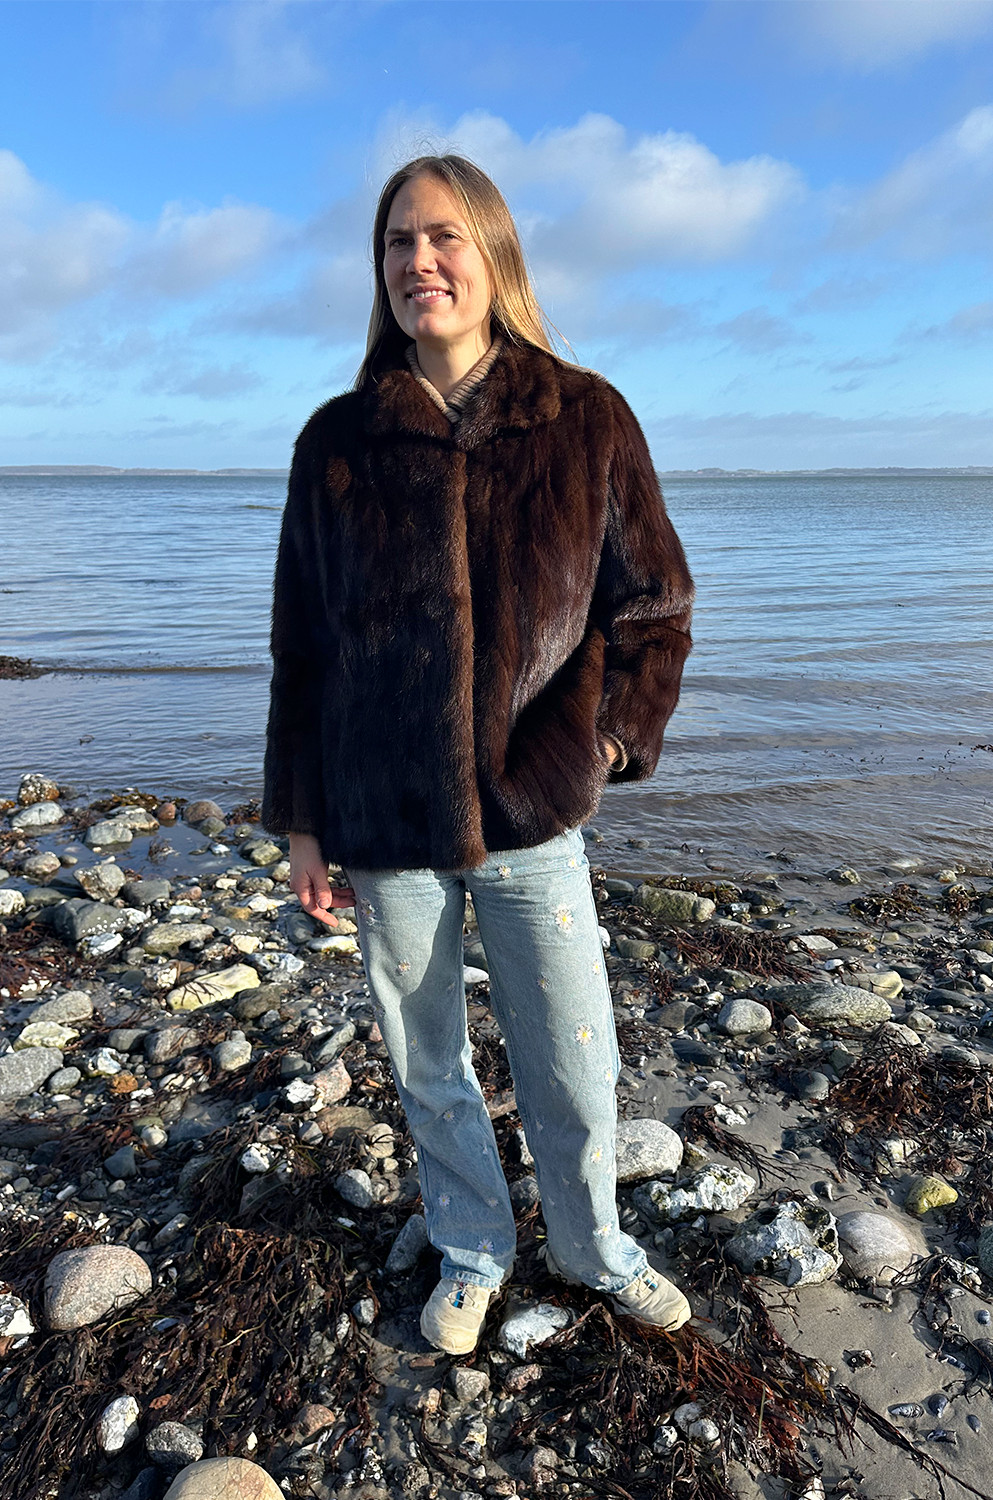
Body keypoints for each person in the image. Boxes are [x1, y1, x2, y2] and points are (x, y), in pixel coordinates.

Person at [262, 153, 695, 1356]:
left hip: (531, 809)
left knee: (573, 1058)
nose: (419, 261)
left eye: (442, 236)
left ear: (494, 253)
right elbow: (302, 645)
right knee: (426, 1059)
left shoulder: (584, 416)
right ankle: (471, 1246)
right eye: (397, 241)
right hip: (381, 813)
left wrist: (605, 742)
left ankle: (591, 1243)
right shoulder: (337, 441)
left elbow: (653, 606)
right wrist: (302, 821)